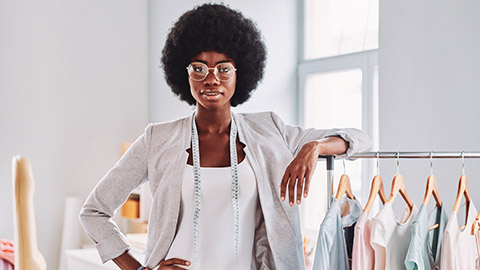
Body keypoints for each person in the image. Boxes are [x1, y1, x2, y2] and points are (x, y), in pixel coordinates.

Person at [79, 3, 372, 270]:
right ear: (184, 72)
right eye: (199, 67)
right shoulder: (158, 138)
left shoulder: (269, 130)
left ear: (239, 73)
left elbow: (359, 139)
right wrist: (140, 269)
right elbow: (94, 211)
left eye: (223, 68)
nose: (211, 78)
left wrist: (315, 146)